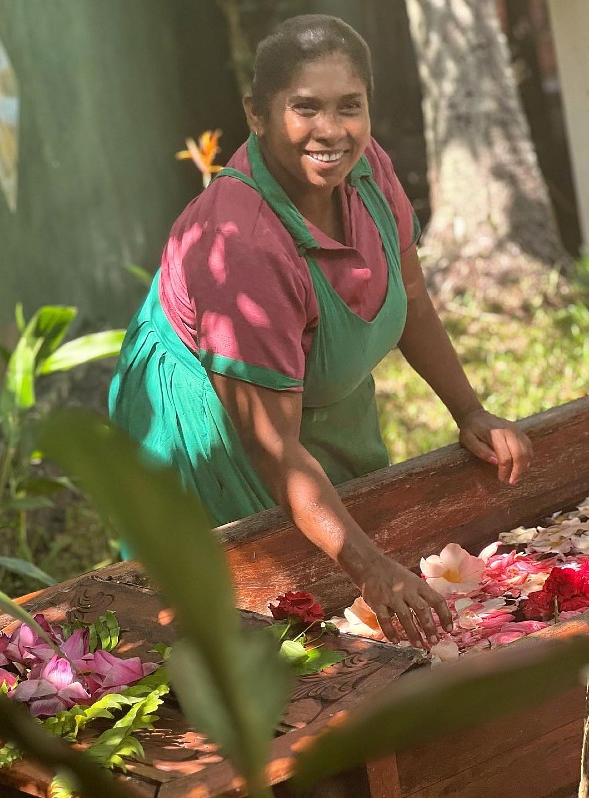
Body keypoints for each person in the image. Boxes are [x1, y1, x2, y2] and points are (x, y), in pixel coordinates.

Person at [109, 15, 532, 648]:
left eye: (348, 108)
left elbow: (410, 297)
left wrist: (470, 410)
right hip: (209, 425)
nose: (330, 131)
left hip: (310, 392)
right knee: (261, 619)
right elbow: (274, 449)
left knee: (355, 539)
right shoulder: (243, 245)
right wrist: (372, 571)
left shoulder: (364, 170)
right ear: (257, 112)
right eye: (304, 108)